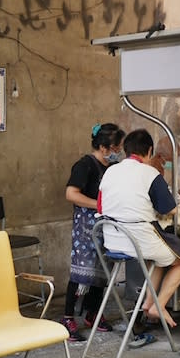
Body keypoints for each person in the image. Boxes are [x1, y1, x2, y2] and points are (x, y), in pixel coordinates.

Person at [98, 129, 180, 328]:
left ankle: (149, 302)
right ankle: (160, 305)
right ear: (149, 151)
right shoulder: (150, 173)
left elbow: (100, 207)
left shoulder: (110, 171)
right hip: (140, 241)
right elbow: (172, 210)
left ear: (125, 150)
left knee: (159, 256)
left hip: (113, 242)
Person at [61, 123, 125, 342]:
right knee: (82, 273)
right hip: (86, 227)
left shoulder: (111, 168)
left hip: (104, 226)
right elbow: (71, 194)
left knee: (101, 272)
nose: (119, 151)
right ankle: (68, 318)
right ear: (105, 148)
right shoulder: (84, 165)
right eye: (117, 147)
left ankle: (92, 313)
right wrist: (97, 205)